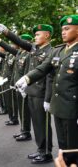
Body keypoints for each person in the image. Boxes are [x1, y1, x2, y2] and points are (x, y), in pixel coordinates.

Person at [16, 15, 78, 151]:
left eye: (67, 29)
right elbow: (43, 68)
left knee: (73, 145)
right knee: (63, 144)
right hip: (59, 105)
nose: (63, 32)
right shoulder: (58, 50)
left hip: (73, 107)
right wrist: (27, 78)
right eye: (62, 29)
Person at [0, 23, 54, 164]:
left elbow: (48, 77)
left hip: (41, 93)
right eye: (35, 35)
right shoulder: (34, 49)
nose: (35, 37)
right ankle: (40, 149)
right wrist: (6, 32)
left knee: (43, 124)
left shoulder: (51, 51)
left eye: (38, 34)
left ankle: (46, 152)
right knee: (36, 124)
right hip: (31, 91)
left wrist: (48, 98)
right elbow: (19, 43)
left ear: (47, 35)